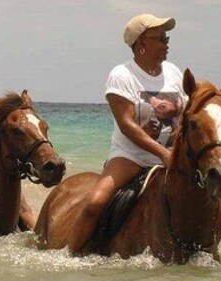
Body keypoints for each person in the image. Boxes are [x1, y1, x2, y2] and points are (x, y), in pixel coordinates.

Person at [68, 14, 186, 252]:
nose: (166, 43)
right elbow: (127, 124)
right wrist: (163, 154)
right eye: (161, 38)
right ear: (141, 43)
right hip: (130, 157)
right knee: (95, 202)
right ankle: (71, 254)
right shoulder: (122, 75)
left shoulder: (174, 72)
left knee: (217, 207)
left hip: (172, 155)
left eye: (167, 37)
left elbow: (184, 113)